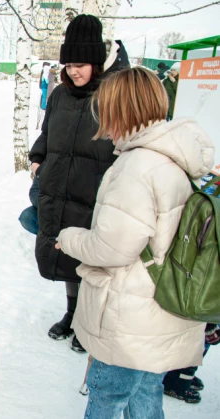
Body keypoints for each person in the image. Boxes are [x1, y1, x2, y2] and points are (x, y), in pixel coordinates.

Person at [54, 66, 213, 419]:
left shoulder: (136, 167)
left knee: (106, 398)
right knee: (144, 394)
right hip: (161, 311)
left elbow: (112, 248)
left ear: (121, 111)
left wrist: (69, 238)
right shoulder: (174, 158)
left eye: (106, 110)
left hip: (131, 319)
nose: (103, 122)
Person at [28, 14, 129, 352]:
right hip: (59, 188)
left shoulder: (113, 94)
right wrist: (38, 158)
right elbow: (46, 131)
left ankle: (88, 324)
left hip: (94, 191)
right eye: (69, 63)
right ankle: (71, 314)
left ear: (97, 62)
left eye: (81, 64)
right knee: (66, 254)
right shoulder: (60, 95)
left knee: (92, 261)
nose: (73, 70)